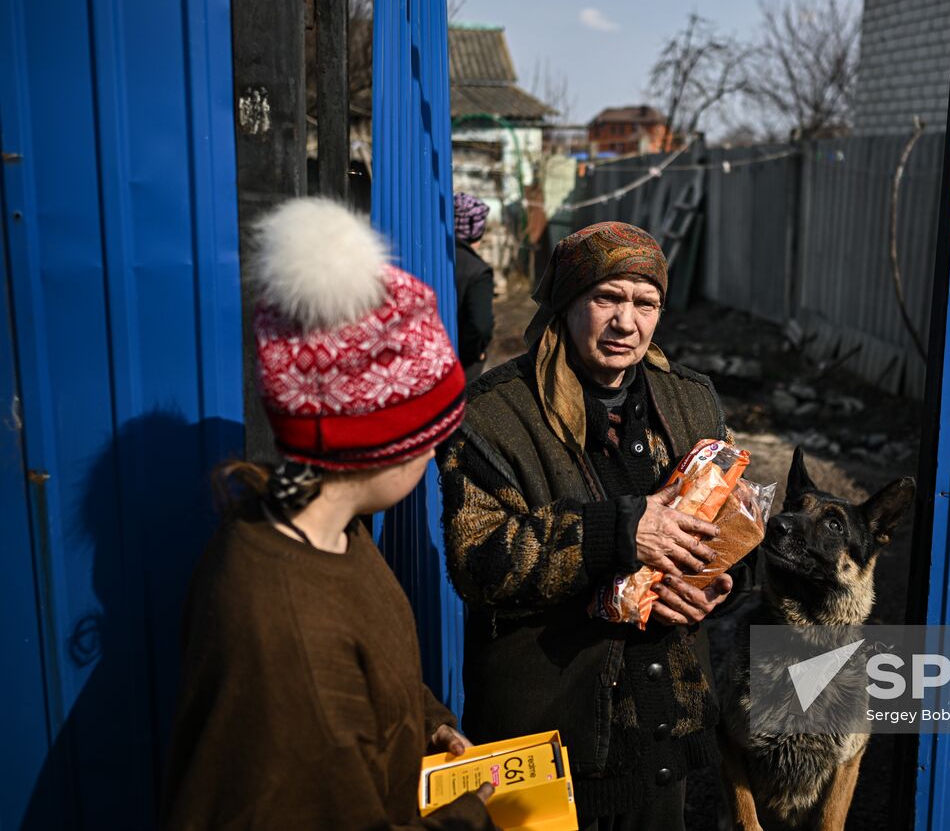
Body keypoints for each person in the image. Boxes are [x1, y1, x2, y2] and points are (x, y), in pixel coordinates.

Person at [162, 197, 494, 830]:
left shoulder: (320, 532)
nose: (432, 452)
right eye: (430, 433)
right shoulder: (287, 628)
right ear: (380, 442)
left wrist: (428, 723)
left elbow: (363, 672)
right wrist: (470, 819)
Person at [438, 222, 748, 830]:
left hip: (661, 728)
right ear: (568, 301)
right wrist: (616, 534)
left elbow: (734, 520)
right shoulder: (495, 416)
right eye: (606, 297)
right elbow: (478, 561)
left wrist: (713, 579)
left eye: (645, 303)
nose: (626, 322)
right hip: (549, 735)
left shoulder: (690, 401)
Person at [453, 193, 495, 382]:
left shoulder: (433, 257)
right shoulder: (478, 271)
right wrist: (473, 353)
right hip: (461, 365)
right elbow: (480, 325)